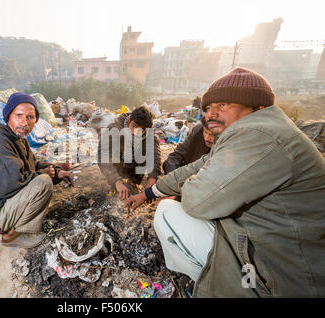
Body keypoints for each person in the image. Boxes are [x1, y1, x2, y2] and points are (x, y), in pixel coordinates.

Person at [124, 67, 325, 297]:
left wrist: (182, 190)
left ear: (256, 106)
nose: (212, 114)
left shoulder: (259, 136)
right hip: (273, 248)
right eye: (208, 107)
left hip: (286, 278)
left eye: (223, 105)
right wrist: (150, 193)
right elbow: (193, 166)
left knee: (168, 214)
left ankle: (219, 287)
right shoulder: (261, 130)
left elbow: (198, 201)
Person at [0, 93, 73, 249]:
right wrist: (46, 175)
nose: (25, 122)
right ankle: (12, 235)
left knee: (43, 178)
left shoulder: (18, 140)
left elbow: (33, 165)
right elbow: (12, 184)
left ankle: (17, 226)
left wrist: (57, 172)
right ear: (8, 116)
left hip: (4, 204)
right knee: (43, 182)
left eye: (30, 117)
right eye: (19, 115)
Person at [98, 106, 162, 200]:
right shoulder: (113, 128)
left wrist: (152, 177)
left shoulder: (149, 134)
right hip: (116, 171)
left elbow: (155, 156)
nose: (135, 132)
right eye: (134, 126)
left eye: (141, 130)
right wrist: (116, 180)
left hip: (134, 176)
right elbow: (102, 155)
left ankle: (131, 184)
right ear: (129, 121)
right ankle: (113, 183)